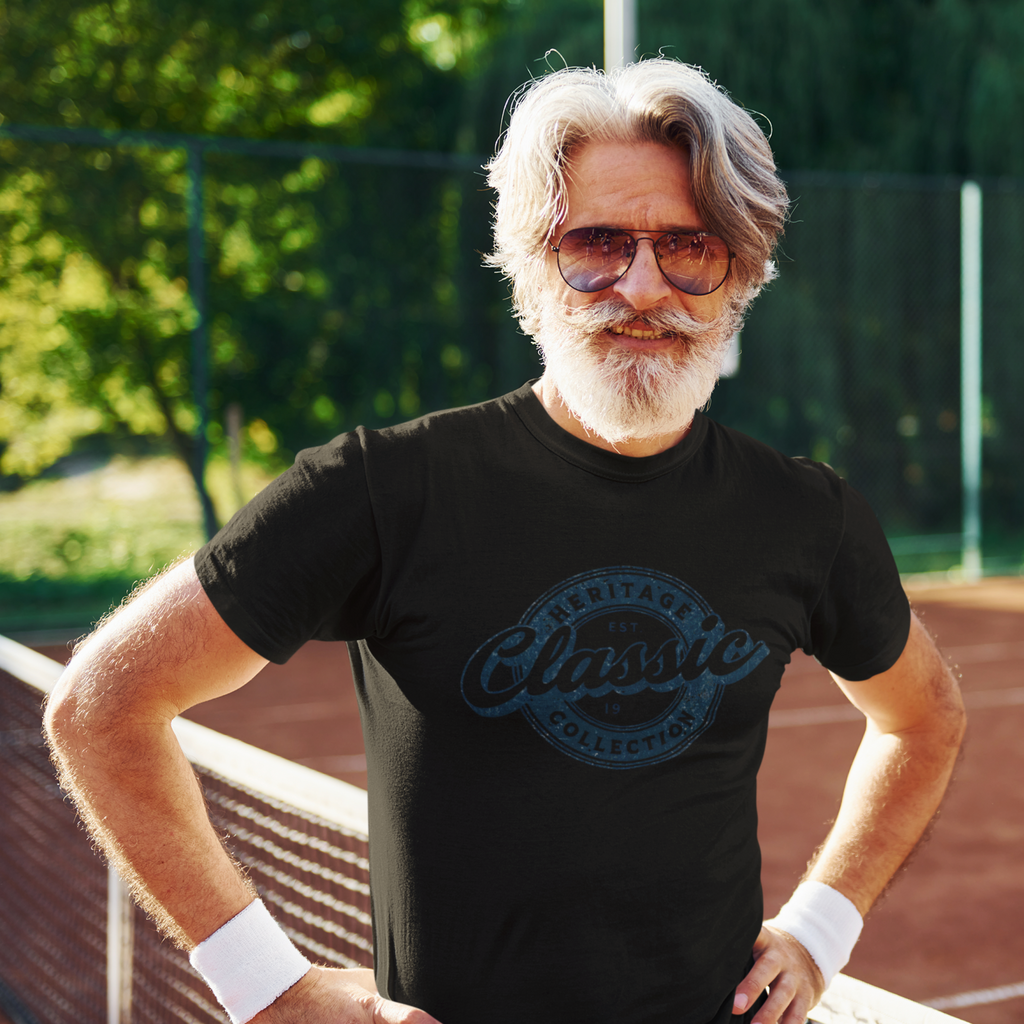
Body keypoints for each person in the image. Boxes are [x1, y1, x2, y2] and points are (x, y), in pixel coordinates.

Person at [45, 59, 965, 1024]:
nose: (644, 287)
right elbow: (104, 705)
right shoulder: (384, 490)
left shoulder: (805, 515)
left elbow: (926, 717)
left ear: (738, 275)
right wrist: (265, 986)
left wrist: (822, 930)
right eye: (597, 243)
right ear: (531, 263)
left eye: (689, 246)